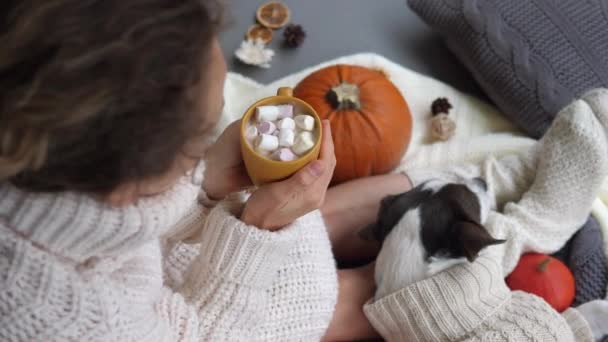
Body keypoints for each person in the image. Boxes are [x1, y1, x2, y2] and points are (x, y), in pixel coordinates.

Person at [0, 0, 395, 340]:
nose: (211, 143)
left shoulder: (55, 165)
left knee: (283, 225)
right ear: (125, 189)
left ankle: (349, 228)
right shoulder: (67, 322)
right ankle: (364, 295)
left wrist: (207, 188)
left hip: (131, 270)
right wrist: (257, 231)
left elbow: (128, 232)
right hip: (169, 321)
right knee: (313, 292)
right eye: (202, 137)